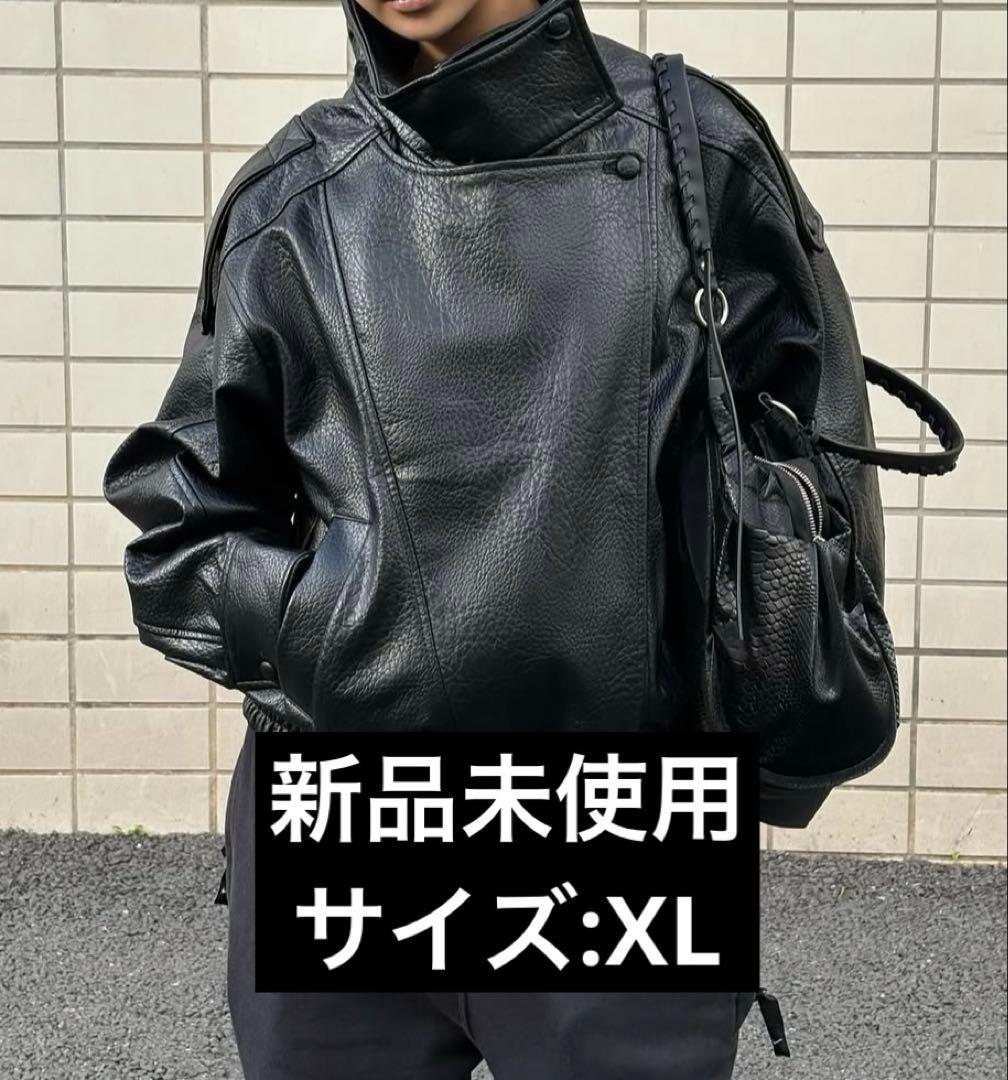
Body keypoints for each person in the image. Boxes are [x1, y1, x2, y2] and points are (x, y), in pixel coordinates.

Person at [103, 0, 822, 1073]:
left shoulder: (698, 156)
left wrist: (771, 752)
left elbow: (811, 488)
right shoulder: (296, 197)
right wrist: (349, 641)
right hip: (350, 802)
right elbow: (183, 516)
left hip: (618, 804)